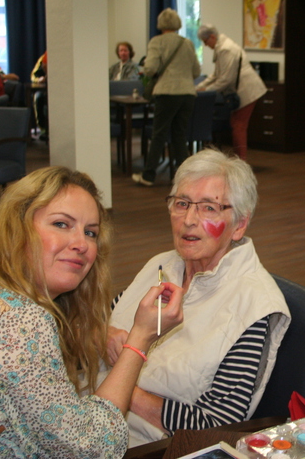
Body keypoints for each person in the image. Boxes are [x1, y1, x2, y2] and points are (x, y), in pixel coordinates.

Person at [0, 166, 185, 457]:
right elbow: (93, 447)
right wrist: (140, 339)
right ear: (17, 230)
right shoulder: (21, 320)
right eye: (61, 224)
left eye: (90, 233)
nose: (81, 244)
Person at [107, 149, 290, 446]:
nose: (189, 220)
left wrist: (120, 386)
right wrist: (102, 335)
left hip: (145, 445)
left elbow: (217, 425)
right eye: (182, 204)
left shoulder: (253, 306)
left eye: (209, 208)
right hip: (90, 414)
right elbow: (101, 318)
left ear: (239, 225)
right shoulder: (163, 264)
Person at [132, 8, 200, 186]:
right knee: (180, 135)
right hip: (188, 93)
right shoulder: (187, 43)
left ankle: (148, 175)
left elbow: (150, 69)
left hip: (167, 92)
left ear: (160, 24)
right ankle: (185, 177)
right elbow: (196, 71)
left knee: (159, 134)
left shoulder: (157, 42)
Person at [196, 24, 267, 161]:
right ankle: (238, 160)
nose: (205, 45)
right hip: (242, 90)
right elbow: (216, 75)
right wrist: (200, 87)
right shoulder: (222, 47)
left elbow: (225, 80)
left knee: (239, 125)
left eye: (205, 41)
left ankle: (240, 162)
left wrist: (207, 91)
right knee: (237, 124)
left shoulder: (226, 49)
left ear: (212, 37)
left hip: (247, 90)